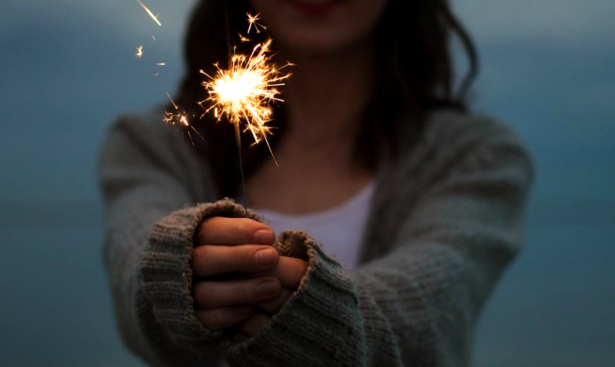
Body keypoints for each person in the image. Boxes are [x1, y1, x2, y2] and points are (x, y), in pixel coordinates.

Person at [98, 0, 534, 366]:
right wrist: (177, 272)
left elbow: (435, 305)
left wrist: (316, 311)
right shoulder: (154, 145)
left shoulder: (474, 156)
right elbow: (137, 268)